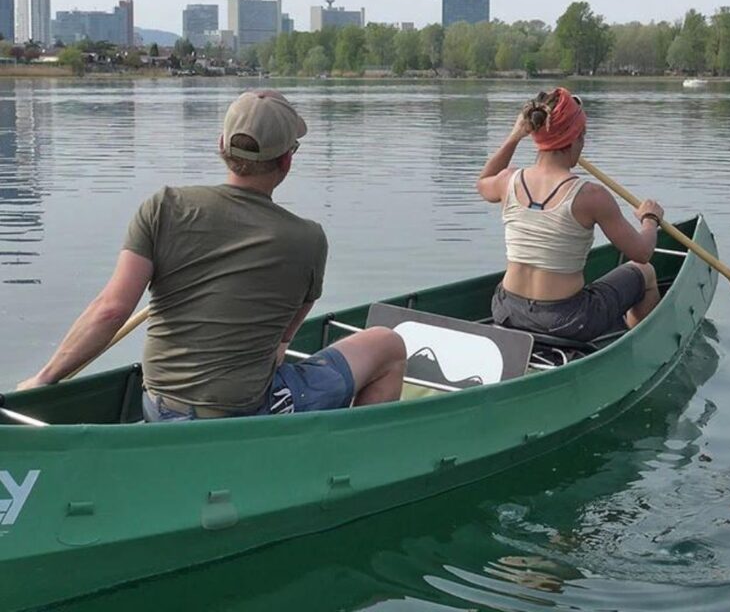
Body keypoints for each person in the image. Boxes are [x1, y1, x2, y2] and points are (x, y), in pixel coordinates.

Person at [17, 90, 406, 420]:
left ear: (221, 145)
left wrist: (45, 378)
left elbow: (110, 310)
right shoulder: (308, 239)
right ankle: (346, 457)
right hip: (245, 413)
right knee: (387, 344)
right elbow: (284, 336)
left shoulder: (163, 206)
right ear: (287, 160)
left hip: (158, 406)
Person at [476, 87, 664, 343]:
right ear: (575, 138)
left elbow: (483, 181)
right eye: (582, 136)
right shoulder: (591, 196)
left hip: (506, 310)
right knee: (645, 272)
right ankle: (634, 348)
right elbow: (641, 252)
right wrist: (649, 220)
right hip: (567, 321)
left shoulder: (507, 180)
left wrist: (515, 136)